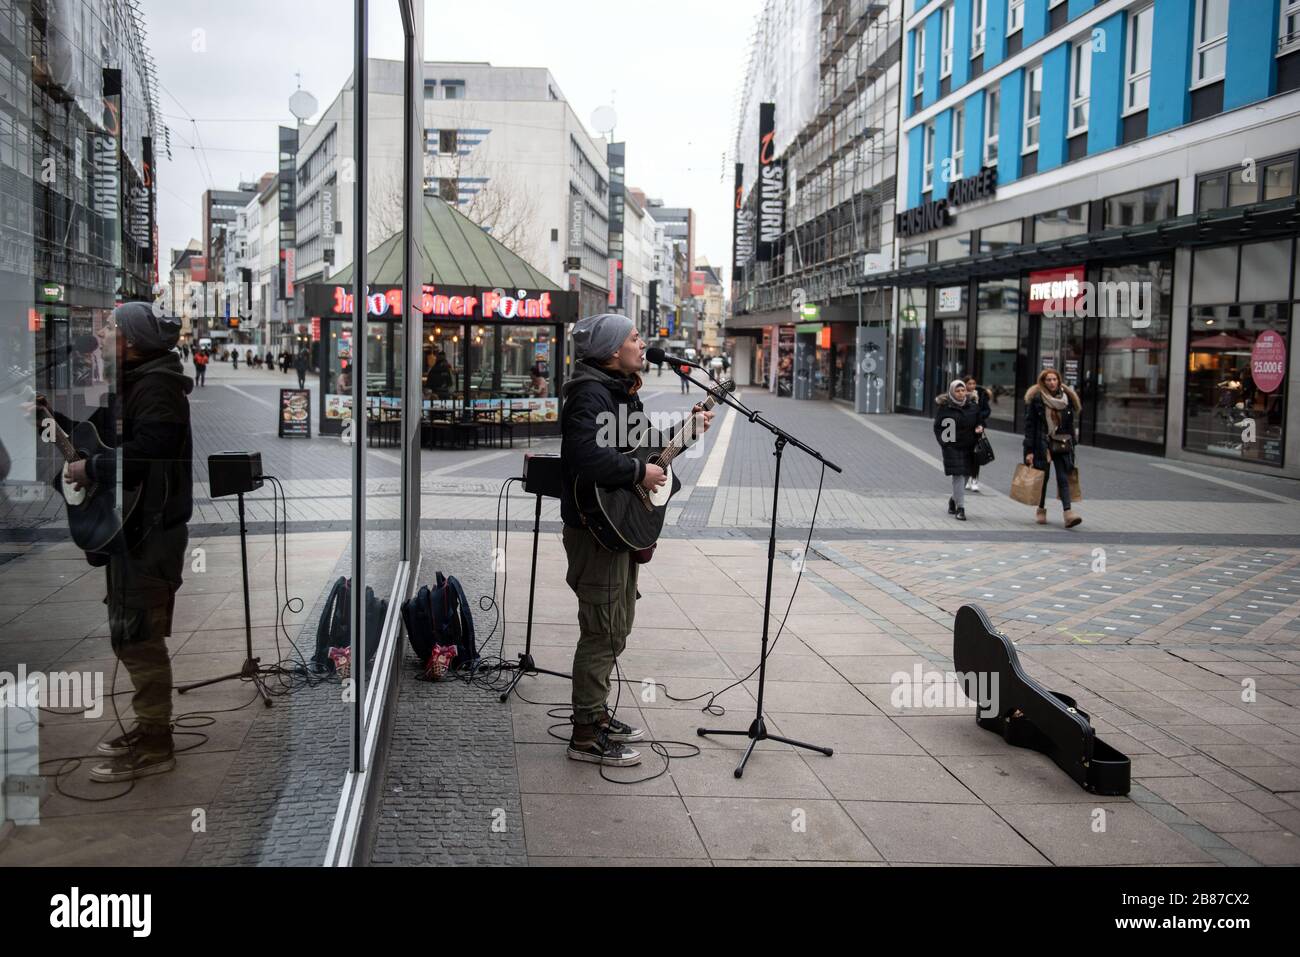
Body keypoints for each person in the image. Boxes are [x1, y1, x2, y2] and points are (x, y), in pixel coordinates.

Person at [30, 302, 193, 782]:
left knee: (139, 637)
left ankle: (156, 741)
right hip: (135, 531)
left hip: (151, 534)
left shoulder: (158, 387)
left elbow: (151, 453)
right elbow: (97, 437)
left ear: (133, 341)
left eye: (112, 328)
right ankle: (148, 725)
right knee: (130, 632)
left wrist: (92, 469)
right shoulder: (138, 384)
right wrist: (48, 416)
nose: (104, 334)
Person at [559, 313, 712, 766]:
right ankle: (585, 735)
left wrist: (686, 434)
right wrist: (635, 472)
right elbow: (583, 455)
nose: (642, 343)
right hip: (594, 531)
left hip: (617, 527)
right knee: (602, 630)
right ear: (611, 350)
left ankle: (597, 713)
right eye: (633, 337)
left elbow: (646, 451)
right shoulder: (590, 394)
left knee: (617, 625)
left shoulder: (620, 392)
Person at [1024, 368, 1083, 528]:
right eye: (1048, 380)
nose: (1051, 382)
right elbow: (1030, 427)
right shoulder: (1037, 399)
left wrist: (1072, 445)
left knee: (1063, 478)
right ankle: (1041, 509)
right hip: (1043, 444)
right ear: (1043, 382)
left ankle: (1068, 513)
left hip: (1062, 444)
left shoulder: (1066, 399)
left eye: (1054, 379)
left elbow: (1070, 425)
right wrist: (1029, 451)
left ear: (1059, 381)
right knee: (1044, 478)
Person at [933, 378, 982, 521]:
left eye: (963, 390)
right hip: (952, 447)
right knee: (958, 476)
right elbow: (938, 427)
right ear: (952, 392)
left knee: (966, 474)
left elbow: (980, 420)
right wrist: (944, 444)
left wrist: (980, 426)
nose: (961, 393)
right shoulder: (945, 408)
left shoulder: (973, 407)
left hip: (970, 447)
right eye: (958, 391)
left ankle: (953, 500)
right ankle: (960, 508)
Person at [964, 375, 991, 493]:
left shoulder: (981, 395)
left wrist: (979, 416)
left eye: (973, 383)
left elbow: (987, 410)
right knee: (967, 454)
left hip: (978, 428)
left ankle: (974, 479)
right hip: (965, 428)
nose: (972, 386)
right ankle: (967, 477)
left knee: (976, 454)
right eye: (969, 383)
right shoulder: (961, 394)